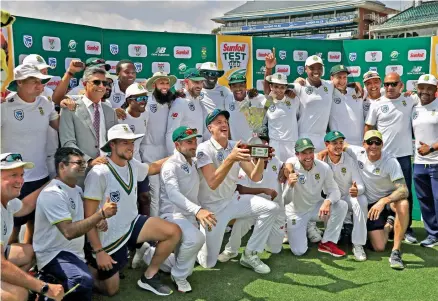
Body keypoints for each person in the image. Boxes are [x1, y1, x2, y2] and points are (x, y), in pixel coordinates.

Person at [83, 124, 181, 296]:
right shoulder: (99, 173)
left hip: (132, 224)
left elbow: (152, 168)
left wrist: (178, 155)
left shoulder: (132, 164)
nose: (130, 146)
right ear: (112, 145)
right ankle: (86, 266)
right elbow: (88, 216)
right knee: (111, 290)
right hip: (109, 237)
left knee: (173, 232)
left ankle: (149, 276)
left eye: (132, 142)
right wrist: (98, 251)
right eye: (124, 142)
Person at [196, 109, 280, 274]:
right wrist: (231, 158)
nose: (224, 124)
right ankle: (194, 244)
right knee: (208, 263)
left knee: (271, 208)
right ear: (210, 128)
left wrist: (261, 159)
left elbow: (255, 177)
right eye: (218, 122)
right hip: (212, 209)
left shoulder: (236, 145)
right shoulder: (203, 149)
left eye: (225, 121)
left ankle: (250, 254)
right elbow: (212, 182)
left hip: (233, 200)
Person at [33, 147, 118, 301]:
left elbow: (85, 219)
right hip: (54, 254)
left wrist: (99, 220)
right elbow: (69, 232)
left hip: (76, 254)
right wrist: (101, 214)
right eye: (78, 163)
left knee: (107, 285)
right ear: (62, 166)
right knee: (82, 281)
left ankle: (51, 284)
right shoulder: (53, 193)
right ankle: (45, 290)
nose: (84, 166)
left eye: (84, 162)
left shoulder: (78, 189)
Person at [2, 64, 59, 244]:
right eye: (34, 81)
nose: (39, 85)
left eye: (41, 81)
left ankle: (29, 263)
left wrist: (71, 105)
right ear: (19, 82)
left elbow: (61, 126)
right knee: (11, 226)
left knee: (35, 224)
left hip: (40, 174)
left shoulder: (46, 103)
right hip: (12, 176)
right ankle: (7, 264)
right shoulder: (4, 106)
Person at [341, 130, 410, 269]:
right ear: (363, 144)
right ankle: (389, 224)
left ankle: (396, 251)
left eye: (377, 142)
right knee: (379, 247)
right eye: (370, 142)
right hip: (371, 205)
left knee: (403, 204)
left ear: (382, 144)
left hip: (388, 202)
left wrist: (384, 201)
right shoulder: (356, 152)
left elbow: (404, 190)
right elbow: (340, 145)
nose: (373, 146)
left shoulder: (390, 161)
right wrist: (322, 153)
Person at [1, 153, 64, 301]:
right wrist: (43, 287)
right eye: (13, 175)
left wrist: (51, 182)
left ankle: (10, 284)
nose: (20, 181)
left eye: (21, 175)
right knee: (18, 294)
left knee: (28, 252)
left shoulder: (8, 201)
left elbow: (27, 205)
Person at [365, 72, 418, 243]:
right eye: (387, 84)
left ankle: (407, 230)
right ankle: (384, 222)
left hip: (403, 156)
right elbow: (369, 127)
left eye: (393, 84)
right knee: (378, 191)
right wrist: (367, 147)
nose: (389, 87)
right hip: (382, 156)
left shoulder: (409, 99)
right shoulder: (377, 104)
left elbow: (429, 96)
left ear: (401, 85)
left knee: (404, 193)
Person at [159, 126, 212, 293]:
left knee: (187, 258)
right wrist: (198, 210)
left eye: (195, 141)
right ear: (177, 145)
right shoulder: (170, 165)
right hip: (172, 215)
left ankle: (147, 252)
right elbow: (173, 194)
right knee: (196, 239)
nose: (194, 145)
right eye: (189, 142)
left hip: (189, 216)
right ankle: (179, 276)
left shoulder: (194, 162)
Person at [218, 130, 285, 260]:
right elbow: (240, 189)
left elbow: (287, 165)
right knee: (241, 223)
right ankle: (232, 250)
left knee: (275, 249)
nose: (263, 146)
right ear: (251, 148)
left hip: (277, 211)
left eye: (265, 144)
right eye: (258, 145)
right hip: (253, 206)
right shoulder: (245, 164)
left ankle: (264, 239)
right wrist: (263, 190)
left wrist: (288, 168)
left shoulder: (275, 161)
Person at [283, 138, 347, 257]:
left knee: (341, 205)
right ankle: (296, 226)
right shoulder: (292, 168)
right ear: (297, 154)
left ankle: (327, 243)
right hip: (296, 212)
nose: (308, 156)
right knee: (299, 251)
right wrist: (290, 185)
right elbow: (285, 201)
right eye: (304, 153)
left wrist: (327, 201)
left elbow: (335, 191)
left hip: (315, 208)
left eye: (310, 152)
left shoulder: (323, 167)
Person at [59, 67, 118, 187]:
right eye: (96, 82)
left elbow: (115, 141)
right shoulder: (70, 108)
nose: (101, 86)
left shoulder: (110, 111)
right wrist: (90, 161)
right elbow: (67, 143)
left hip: (108, 171)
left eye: (105, 83)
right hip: (81, 173)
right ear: (85, 84)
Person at [323, 131, 368, 261]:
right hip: (330, 200)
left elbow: (360, 186)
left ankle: (358, 244)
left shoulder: (349, 160)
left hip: (347, 198)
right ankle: (329, 241)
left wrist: (356, 190)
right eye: (334, 143)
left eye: (341, 143)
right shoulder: (320, 160)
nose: (338, 146)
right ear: (326, 144)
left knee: (362, 200)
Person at [142, 71, 176, 217]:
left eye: (167, 83)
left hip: (166, 152)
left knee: (167, 191)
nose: (165, 86)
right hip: (149, 152)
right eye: (161, 83)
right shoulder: (146, 101)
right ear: (154, 84)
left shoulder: (171, 101)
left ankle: (167, 224)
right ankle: (154, 230)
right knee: (154, 193)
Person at [412, 74, 438, 247]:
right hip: (419, 163)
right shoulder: (413, 108)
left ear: (436, 90)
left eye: (429, 88)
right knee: (425, 200)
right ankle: (433, 234)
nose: (425, 91)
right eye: (422, 87)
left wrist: (432, 148)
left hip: (436, 162)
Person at [166, 68, 206, 155]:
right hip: (183, 155)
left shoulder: (197, 100)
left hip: (196, 154)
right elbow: (171, 133)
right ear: (186, 82)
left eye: (201, 82)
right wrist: (174, 158)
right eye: (195, 82)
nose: (199, 86)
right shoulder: (180, 101)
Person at [263, 72, 300, 162]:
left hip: (292, 143)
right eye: (276, 86)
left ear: (286, 88)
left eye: (282, 87)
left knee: (292, 172)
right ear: (271, 86)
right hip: (275, 144)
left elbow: (298, 116)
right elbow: (262, 123)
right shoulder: (266, 102)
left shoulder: (294, 99)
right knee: (276, 173)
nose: (279, 90)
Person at [224, 69, 265, 142]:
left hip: (253, 145)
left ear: (246, 85)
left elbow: (271, 100)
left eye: (241, 85)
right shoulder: (227, 99)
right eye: (234, 86)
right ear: (230, 88)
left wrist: (287, 93)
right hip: (236, 146)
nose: (238, 88)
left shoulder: (256, 97)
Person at [328, 65, 364, 146]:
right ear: (331, 78)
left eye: (344, 77)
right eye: (339, 77)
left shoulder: (356, 91)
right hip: (340, 145)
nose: (342, 81)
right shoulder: (328, 94)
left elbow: (374, 94)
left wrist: (356, 84)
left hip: (361, 144)